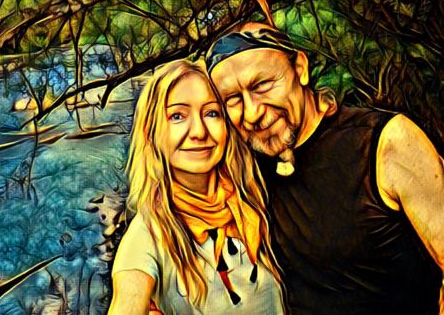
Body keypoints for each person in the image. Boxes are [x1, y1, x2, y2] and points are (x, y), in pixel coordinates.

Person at [206, 21, 444, 315]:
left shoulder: (385, 142)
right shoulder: (245, 174)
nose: (252, 112)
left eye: (262, 85)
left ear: (300, 69)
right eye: (233, 100)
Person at [108, 59, 285, 315]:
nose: (199, 132)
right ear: (151, 133)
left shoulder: (252, 202)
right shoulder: (147, 235)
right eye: (177, 116)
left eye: (212, 113)